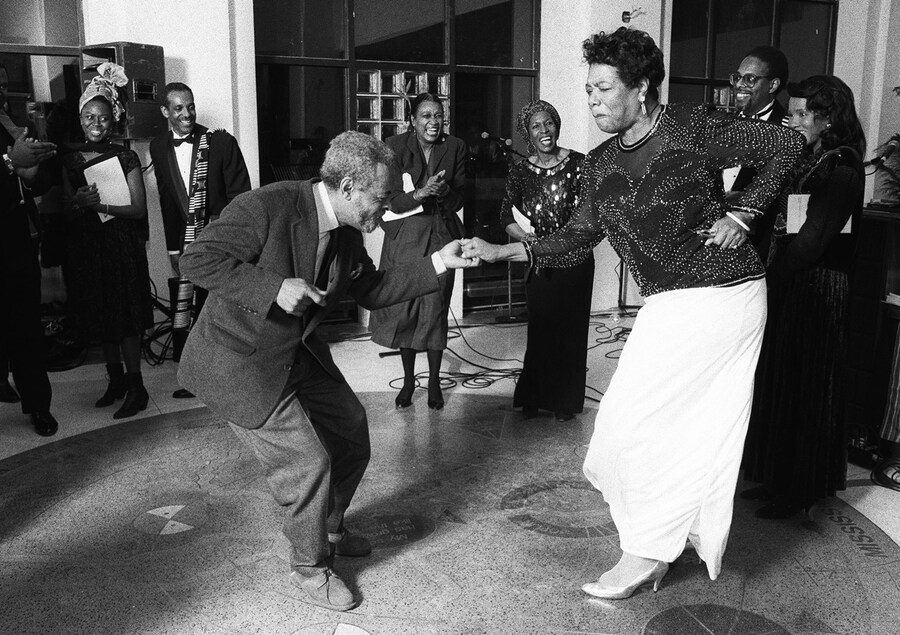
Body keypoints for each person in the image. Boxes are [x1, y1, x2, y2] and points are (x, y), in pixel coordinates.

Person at [462, 27, 803, 598]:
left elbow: (787, 146)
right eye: (588, 90)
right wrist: (505, 249)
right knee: (631, 432)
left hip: (724, 292)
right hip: (670, 302)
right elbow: (576, 236)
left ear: (641, 87)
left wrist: (743, 213)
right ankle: (659, 541)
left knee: (640, 428)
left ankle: (644, 553)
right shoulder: (597, 164)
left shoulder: (689, 127)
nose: (591, 101)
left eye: (602, 88)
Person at [176, 131, 475, 611]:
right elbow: (195, 259)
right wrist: (271, 287)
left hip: (296, 351)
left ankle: (330, 527)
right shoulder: (267, 206)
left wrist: (439, 260)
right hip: (240, 360)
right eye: (380, 198)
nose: (386, 207)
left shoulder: (347, 233)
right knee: (306, 463)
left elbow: (373, 290)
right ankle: (310, 567)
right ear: (351, 187)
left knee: (352, 431)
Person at [742, 75, 866, 518]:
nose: (791, 120)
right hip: (794, 282)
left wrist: (770, 279)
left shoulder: (844, 167)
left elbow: (813, 240)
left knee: (808, 390)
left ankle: (801, 489)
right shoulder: (813, 158)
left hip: (817, 288)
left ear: (827, 118)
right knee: (783, 383)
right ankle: (777, 477)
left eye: (799, 114)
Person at [61, 63, 153, 419]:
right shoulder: (69, 160)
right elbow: (67, 212)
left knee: (126, 316)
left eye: (101, 117)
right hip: (89, 247)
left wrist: (101, 204)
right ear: (80, 119)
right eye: (88, 117)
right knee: (102, 314)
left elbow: (139, 209)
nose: (95, 123)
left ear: (112, 119)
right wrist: (78, 204)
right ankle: (114, 381)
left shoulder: (126, 156)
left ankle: (136, 387)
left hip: (122, 245)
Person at [149, 82, 251, 399]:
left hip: (220, 244)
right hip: (186, 245)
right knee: (189, 311)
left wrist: (228, 239)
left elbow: (242, 197)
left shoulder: (220, 142)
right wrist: (172, 249)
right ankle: (197, 378)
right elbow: (167, 202)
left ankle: (220, 379)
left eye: (190, 106)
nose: (187, 114)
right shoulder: (157, 146)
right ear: (166, 111)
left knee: (217, 312)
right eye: (178, 108)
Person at [369, 93, 467, 410]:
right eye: (425, 116)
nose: (433, 122)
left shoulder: (455, 147)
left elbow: (460, 201)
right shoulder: (393, 147)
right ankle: (410, 380)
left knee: (435, 308)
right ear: (412, 120)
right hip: (405, 238)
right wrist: (420, 193)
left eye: (438, 115)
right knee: (405, 309)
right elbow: (390, 199)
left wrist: (445, 190)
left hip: (440, 234)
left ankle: (435, 381)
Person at [499, 99, 594, 422]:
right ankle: (534, 396)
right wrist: (523, 237)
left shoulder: (580, 164)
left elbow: (590, 215)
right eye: (537, 126)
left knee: (571, 330)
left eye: (549, 123)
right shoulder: (520, 171)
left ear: (557, 125)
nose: (545, 131)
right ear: (528, 133)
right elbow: (505, 216)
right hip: (540, 262)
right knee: (541, 330)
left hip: (577, 259)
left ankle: (564, 401)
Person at [1, 63, 59, 436]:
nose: (2, 91)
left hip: (19, 245)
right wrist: (9, 162)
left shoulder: (10, 121)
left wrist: (34, 166)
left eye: (4, 84)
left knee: (27, 330)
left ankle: (38, 406)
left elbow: (31, 186)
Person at [724, 45, 791, 259]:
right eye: (737, 78)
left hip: (757, 245)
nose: (740, 85)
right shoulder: (725, 124)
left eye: (750, 79)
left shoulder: (786, 130)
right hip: (718, 238)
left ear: (773, 85)